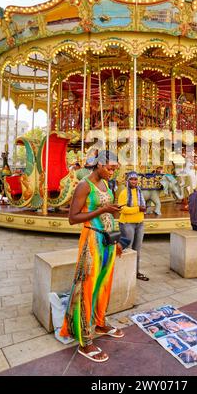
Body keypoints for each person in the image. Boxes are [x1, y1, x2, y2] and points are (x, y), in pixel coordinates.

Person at [60, 151, 125, 363]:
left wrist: (116, 240)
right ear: (98, 165)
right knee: (87, 287)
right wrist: (102, 210)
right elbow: (73, 218)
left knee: (104, 284)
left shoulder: (107, 184)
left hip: (107, 241)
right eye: (110, 168)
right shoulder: (84, 185)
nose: (113, 172)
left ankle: (99, 322)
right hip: (91, 240)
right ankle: (84, 340)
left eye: (115, 168)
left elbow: (109, 213)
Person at [118, 171, 149, 281]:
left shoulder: (140, 192)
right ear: (127, 180)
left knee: (137, 249)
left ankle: (136, 272)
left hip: (139, 223)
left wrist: (144, 209)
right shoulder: (124, 193)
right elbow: (122, 209)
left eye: (135, 179)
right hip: (127, 224)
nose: (134, 181)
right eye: (131, 179)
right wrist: (138, 209)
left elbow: (142, 206)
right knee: (128, 249)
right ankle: (126, 273)